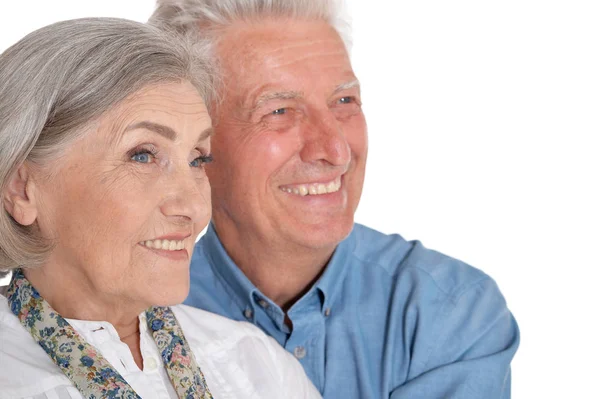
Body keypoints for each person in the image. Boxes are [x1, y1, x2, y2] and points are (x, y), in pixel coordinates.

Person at [149, 1, 520, 398]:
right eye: (278, 110)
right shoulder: (129, 318)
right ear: (194, 143)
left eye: (344, 102)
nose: (336, 149)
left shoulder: (450, 312)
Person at [0, 17, 320, 398]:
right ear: (22, 190)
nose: (194, 207)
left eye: (199, 159)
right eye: (142, 156)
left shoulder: (258, 368)